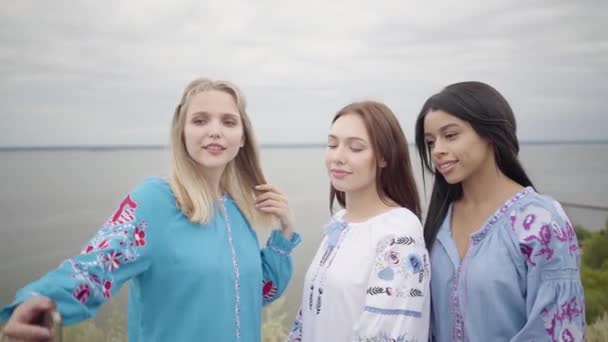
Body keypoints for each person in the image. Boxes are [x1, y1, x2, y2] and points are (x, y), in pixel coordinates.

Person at [0, 78, 301, 342]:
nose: (215, 131)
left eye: (228, 121)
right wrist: (40, 299)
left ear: (242, 137)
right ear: (181, 132)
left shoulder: (236, 211)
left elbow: (256, 292)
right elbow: (97, 265)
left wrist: (284, 234)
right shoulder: (155, 202)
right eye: (200, 120)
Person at [415, 81, 585, 341]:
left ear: (490, 134)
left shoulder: (541, 221)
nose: (437, 150)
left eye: (450, 135)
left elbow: (557, 329)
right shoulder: (438, 221)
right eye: (430, 141)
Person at [288, 101, 430, 341]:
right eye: (332, 144)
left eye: (355, 148)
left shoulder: (399, 232)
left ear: (384, 157)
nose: (337, 157)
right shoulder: (340, 222)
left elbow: (391, 330)